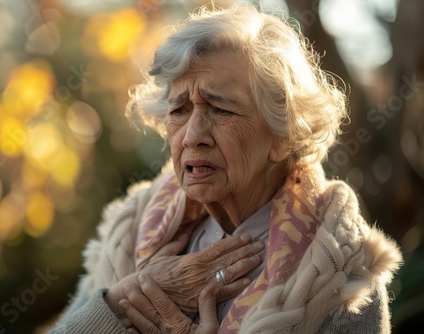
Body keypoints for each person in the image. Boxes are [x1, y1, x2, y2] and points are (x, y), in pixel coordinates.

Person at [48, 4, 403, 333]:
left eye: (220, 109)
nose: (192, 136)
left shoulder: (339, 275)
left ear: (284, 135)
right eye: (178, 110)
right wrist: (117, 305)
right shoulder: (132, 230)